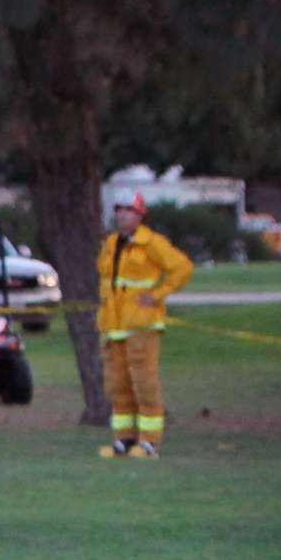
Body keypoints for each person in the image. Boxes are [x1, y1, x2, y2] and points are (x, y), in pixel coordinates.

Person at [93, 192, 194, 458]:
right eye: (119, 209)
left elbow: (182, 268)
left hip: (142, 325)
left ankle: (149, 441)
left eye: (129, 209)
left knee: (144, 382)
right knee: (118, 384)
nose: (123, 214)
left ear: (140, 214)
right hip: (114, 326)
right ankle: (123, 439)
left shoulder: (152, 243)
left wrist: (158, 294)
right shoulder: (112, 243)